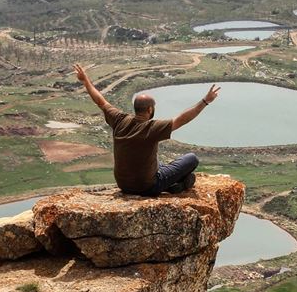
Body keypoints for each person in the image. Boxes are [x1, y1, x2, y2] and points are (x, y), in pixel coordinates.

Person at [73, 63, 220, 195]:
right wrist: (205, 101)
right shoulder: (152, 128)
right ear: (150, 109)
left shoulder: (119, 119)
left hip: (123, 184)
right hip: (147, 186)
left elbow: (100, 101)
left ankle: (174, 186)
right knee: (191, 159)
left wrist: (85, 81)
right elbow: (182, 119)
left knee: (157, 162)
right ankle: (170, 184)